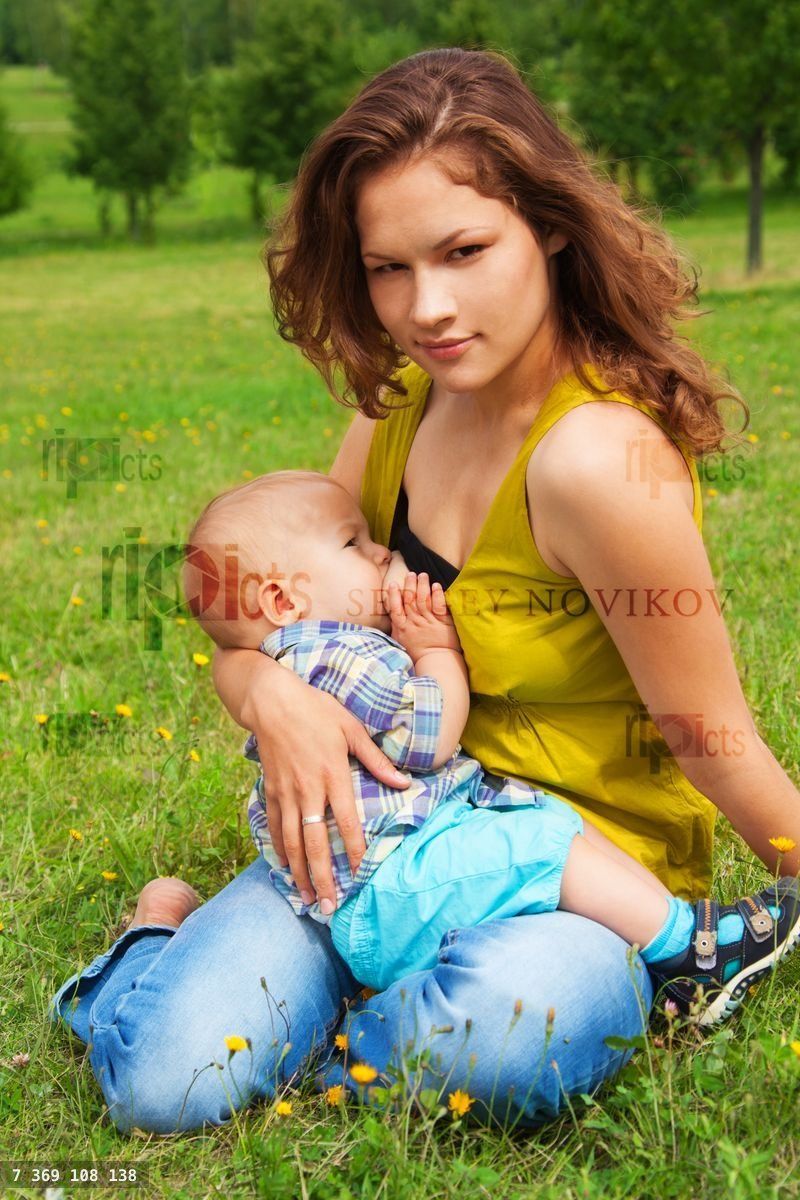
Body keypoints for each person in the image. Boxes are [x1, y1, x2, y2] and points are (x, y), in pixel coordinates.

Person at [49, 47, 800, 1136]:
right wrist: (268, 699)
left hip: (564, 879)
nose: (426, 308)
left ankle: (332, 1031)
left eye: (462, 251)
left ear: (545, 223)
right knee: (162, 1083)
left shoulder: (593, 461)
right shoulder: (399, 401)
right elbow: (258, 623)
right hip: (370, 853)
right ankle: (181, 952)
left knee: (506, 1028)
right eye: (387, 268)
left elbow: (705, 733)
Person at [184, 467, 800, 1021]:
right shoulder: (330, 655)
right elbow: (427, 737)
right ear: (283, 601)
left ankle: (678, 949)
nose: (381, 553)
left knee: (552, 827)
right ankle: (693, 951)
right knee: (541, 846)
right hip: (389, 887)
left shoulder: (312, 649)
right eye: (354, 543)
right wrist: (435, 651)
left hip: (396, 875)